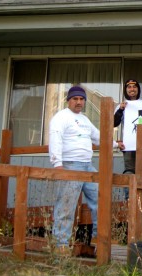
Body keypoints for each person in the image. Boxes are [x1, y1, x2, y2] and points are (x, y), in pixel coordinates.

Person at [49, 85, 123, 253]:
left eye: (82, 99)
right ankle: (60, 246)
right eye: (75, 99)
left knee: (100, 199)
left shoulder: (84, 120)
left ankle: (99, 240)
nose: (79, 102)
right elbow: (55, 138)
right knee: (66, 205)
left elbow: (98, 137)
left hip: (87, 165)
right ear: (68, 100)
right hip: (69, 165)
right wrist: (57, 164)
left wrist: (115, 145)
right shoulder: (61, 117)